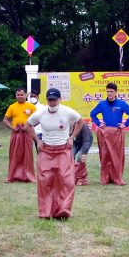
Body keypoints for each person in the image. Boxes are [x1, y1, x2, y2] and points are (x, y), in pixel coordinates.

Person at [25, 88, 84, 218]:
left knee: (66, 179)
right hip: (46, 150)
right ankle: (45, 211)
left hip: (63, 150)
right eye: (50, 100)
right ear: (46, 100)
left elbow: (80, 122)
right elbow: (27, 125)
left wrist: (71, 137)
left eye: (54, 100)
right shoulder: (40, 113)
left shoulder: (67, 112)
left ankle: (63, 210)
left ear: (60, 99)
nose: (52, 102)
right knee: (45, 180)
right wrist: (37, 140)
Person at [89, 82, 129, 185]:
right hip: (105, 134)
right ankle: (105, 178)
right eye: (107, 91)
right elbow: (92, 114)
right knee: (105, 156)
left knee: (117, 156)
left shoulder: (122, 104)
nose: (109, 94)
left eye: (111, 91)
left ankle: (117, 178)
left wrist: (125, 124)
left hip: (117, 133)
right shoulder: (102, 104)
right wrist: (99, 123)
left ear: (116, 92)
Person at [3, 87, 37, 183]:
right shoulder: (12, 106)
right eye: (18, 95)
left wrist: (29, 126)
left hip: (27, 133)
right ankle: (12, 176)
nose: (20, 96)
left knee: (27, 154)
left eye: (22, 94)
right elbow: (5, 120)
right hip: (16, 133)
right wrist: (12, 127)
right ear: (16, 96)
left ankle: (28, 176)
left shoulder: (31, 107)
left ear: (26, 95)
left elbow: (38, 119)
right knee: (14, 154)